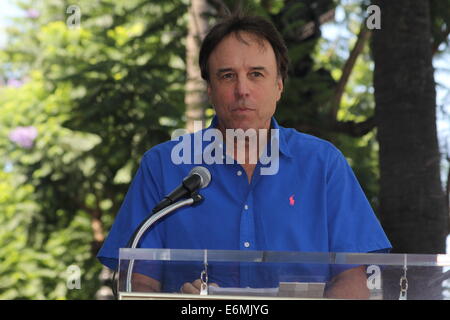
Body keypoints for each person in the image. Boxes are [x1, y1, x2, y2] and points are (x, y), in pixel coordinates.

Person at [97, 12, 391, 299]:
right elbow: (137, 280)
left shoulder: (324, 165)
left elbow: (353, 280)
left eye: (256, 74)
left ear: (279, 86)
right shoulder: (162, 167)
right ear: (210, 89)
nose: (242, 90)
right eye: (227, 76)